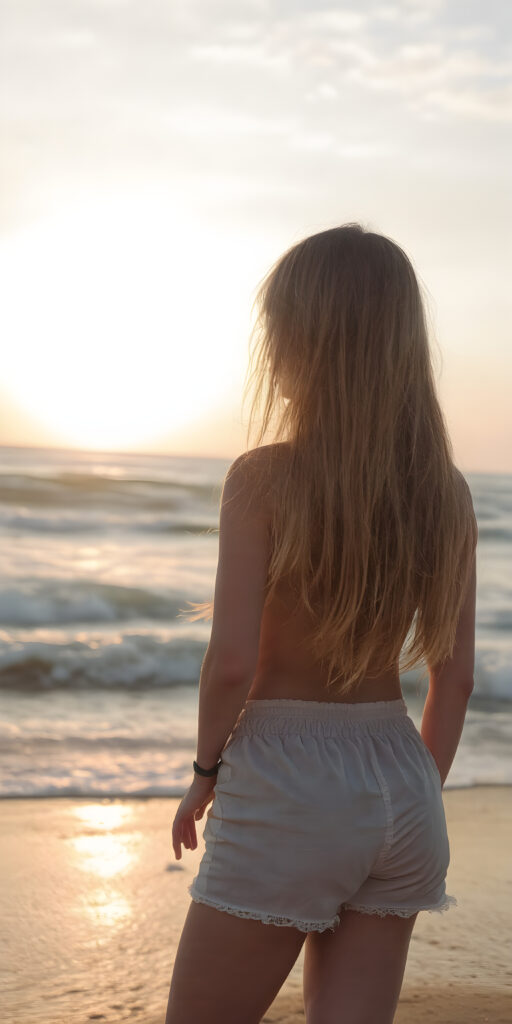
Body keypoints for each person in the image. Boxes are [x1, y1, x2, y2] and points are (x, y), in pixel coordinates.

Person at [164, 223, 478, 1024]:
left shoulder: (264, 479)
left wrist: (203, 776)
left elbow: (232, 662)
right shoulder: (445, 490)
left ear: (302, 340)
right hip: (404, 783)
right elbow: (456, 675)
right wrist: (412, 798)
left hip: (291, 781)